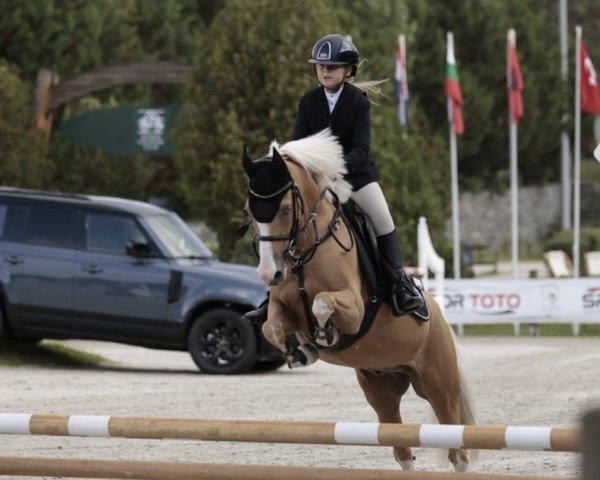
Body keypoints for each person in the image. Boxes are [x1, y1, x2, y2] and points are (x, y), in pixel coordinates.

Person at [244, 34, 422, 325]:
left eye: (334, 66)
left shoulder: (357, 102)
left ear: (348, 71)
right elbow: (299, 143)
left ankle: (399, 284)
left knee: (382, 218)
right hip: (316, 181)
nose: (325, 71)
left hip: (355, 177)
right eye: (321, 66)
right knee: (289, 223)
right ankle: (273, 296)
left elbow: (361, 151)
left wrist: (332, 168)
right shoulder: (309, 101)